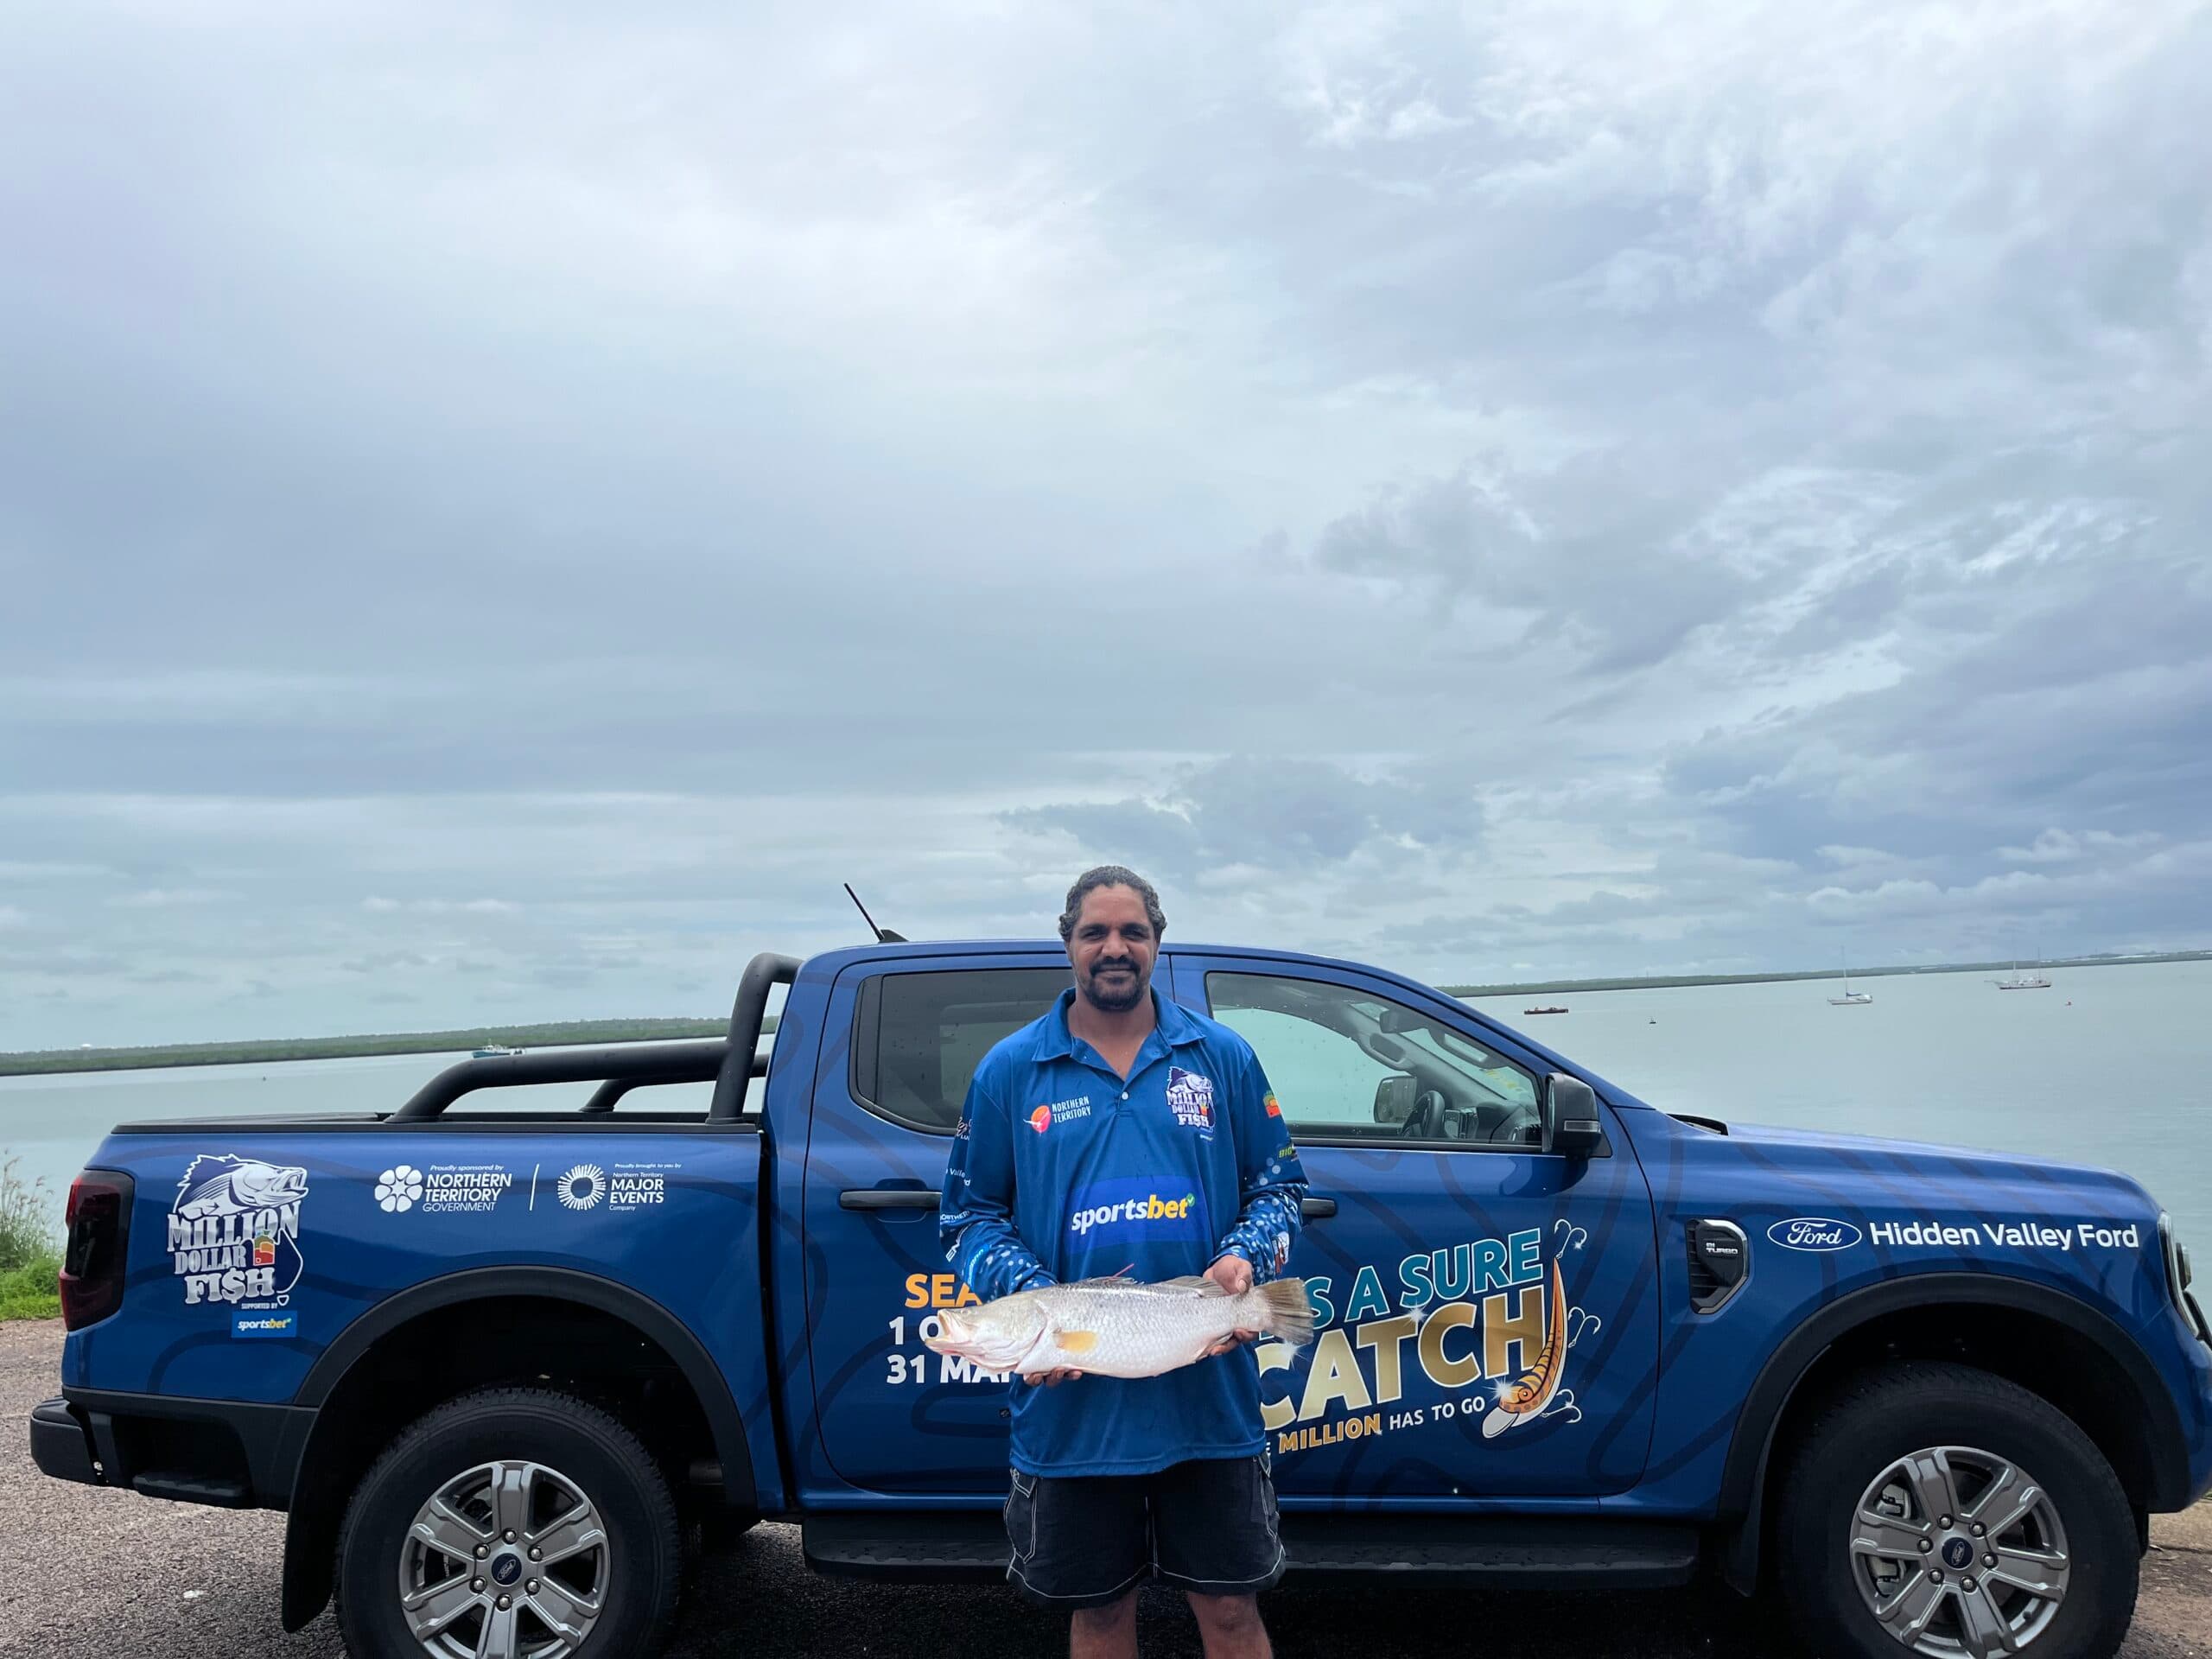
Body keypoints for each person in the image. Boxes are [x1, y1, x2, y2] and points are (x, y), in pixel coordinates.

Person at [939, 866, 1310, 1659]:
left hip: (1210, 1404)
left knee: (1234, 1615)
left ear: (1156, 944)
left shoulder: (1221, 1058)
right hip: (1073, 1423)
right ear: (1068, 945)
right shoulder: (1011, 1070)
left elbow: (1281, 1190)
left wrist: (1245, 1261)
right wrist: (1040, 1302)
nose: (1115, 947)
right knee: (1099, 1616)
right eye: (1095, 933)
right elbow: (968, 1219)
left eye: (1132, 932)